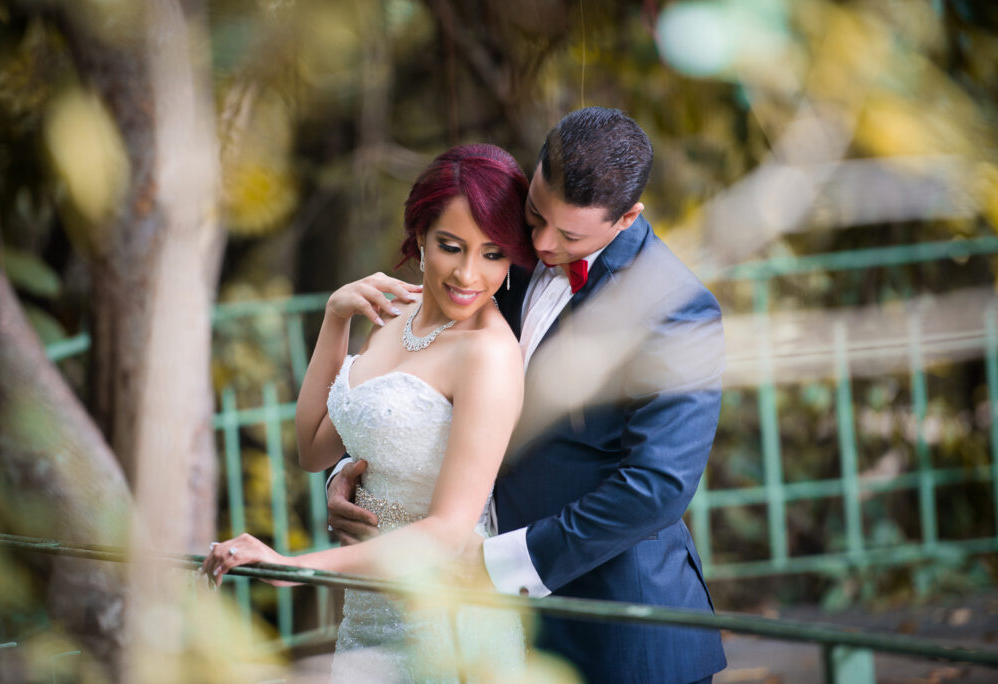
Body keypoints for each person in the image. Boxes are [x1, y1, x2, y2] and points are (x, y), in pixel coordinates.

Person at [328, 107, 728, 683]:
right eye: (535, 215)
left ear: (627, 217)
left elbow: (655, 488)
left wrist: (500, 563)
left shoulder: (676, 310)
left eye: (567, 235)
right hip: (495, 634)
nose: (538, 243)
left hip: (618, 632)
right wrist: (365, 469)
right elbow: (437, 389)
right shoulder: (499, 251)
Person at [202, 143, 537, 682]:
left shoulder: (489, 354)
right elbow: (313, 448)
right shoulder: (395, 313)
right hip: (367, 612)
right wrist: (336, 317)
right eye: (451, 247)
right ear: (420, 238)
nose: (469, 275)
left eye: (494, 254)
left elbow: (449, 530)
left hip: (445, 620)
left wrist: (298, 568)